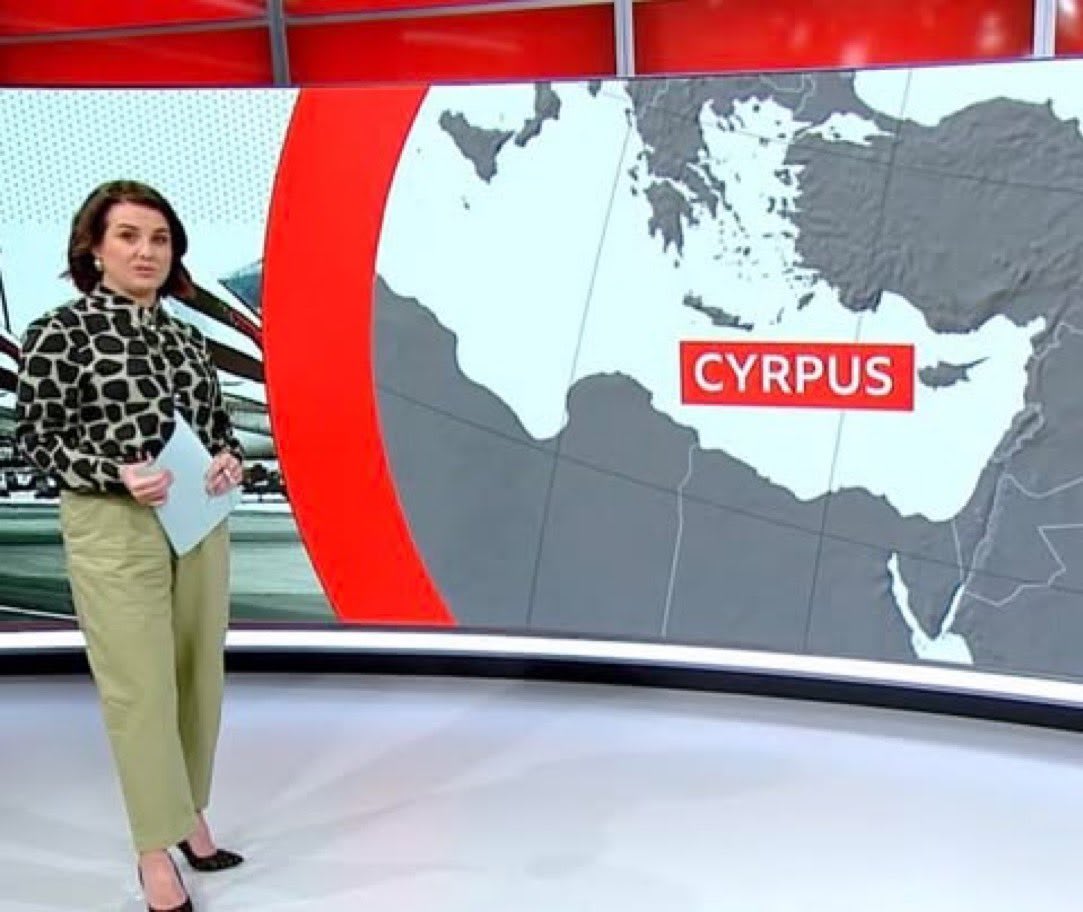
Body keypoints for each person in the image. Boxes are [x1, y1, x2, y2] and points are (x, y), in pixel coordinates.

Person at [15, 180, 246, 912]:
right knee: (140, 687)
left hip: (198, 521)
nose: (146, 251)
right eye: (129, 236)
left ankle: (190, 816)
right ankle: (154, 849)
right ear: (94, 247)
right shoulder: (60, 332)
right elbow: (36, 439)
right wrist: (111, 473)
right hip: (114, 525)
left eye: (159, 239)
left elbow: (219, 427)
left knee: (198, 677)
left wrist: (230, 460)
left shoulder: (187, 339)